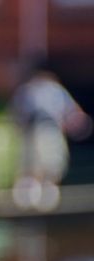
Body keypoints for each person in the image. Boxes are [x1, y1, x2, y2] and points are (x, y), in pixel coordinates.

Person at [11, 67, 91, 209]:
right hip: (34, 130)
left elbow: (73, 113)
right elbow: (19, 114)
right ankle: (28, 195)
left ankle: (47, 195)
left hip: (51, 129)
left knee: (53, 162)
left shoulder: (55, 90)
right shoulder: (29, 90)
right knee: (31, 162)